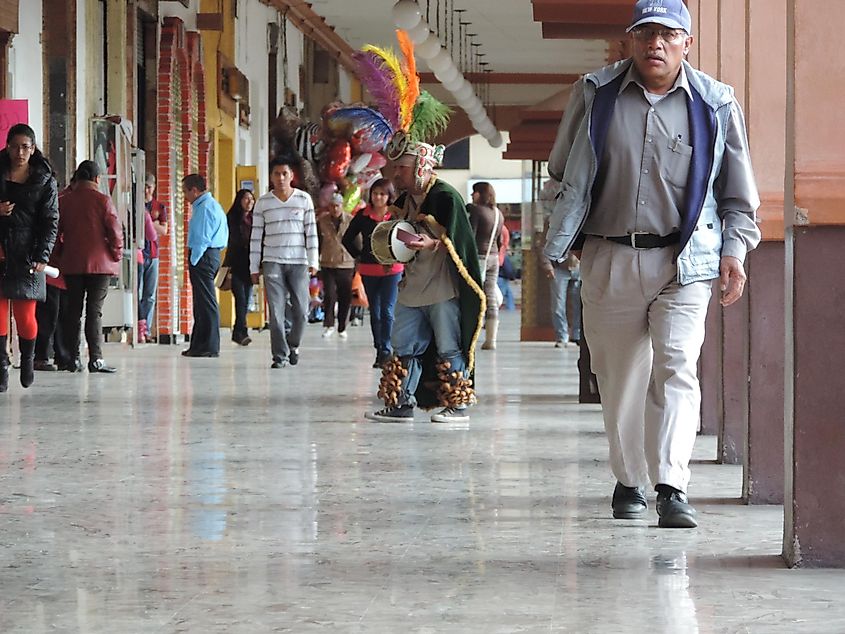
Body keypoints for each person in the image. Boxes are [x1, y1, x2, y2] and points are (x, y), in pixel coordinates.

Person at [544, 0, 761, 528]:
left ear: (688, 43)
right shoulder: (595, 95)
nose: (655, 44)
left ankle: (671, 486)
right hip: (609, 254)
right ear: (630, 41)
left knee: (677, 368)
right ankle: (629, 479)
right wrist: (560, 237)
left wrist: (734, 251)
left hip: (684, 261)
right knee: (617, 379)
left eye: (668, 34)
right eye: (646, 33)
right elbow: (560, 173)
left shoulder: (715, 104)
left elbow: (737, 194)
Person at [364, 140, 484, 423]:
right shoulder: (405, 201)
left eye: (401, 168)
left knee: (448, 346)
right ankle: (401, 403)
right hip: (412, 286)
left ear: (421, 167)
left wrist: (433, 242)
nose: (396, 174)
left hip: (442, 288)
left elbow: (461, 244)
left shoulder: (445, 197)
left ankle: (458, 404)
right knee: (403, 345)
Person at [0, 123, 59, 391]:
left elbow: (50, 221)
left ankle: (27, 357)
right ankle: (1, 363)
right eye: (15, 146)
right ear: (7, 147)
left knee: (25, 317)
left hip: (28, 254)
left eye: (25, 147)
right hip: (1, 249)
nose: (20, 152)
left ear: (33, 149)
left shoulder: (45, 179)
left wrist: (42, 255)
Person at [249, 157, 318, 369]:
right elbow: (256, 235)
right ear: (271, 177)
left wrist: (313, 260)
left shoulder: (304, 199)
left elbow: (311, 232)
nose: (280, 178)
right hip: (272, 262)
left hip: (299, 263)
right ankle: (279, 356)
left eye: (284, 174)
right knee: (276, 311)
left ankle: (293, 344)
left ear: (292, 176)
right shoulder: (263, 203)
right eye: (276, 174)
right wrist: (254, 266)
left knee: (302, 310)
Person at [56, 160, 123, 373]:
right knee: (94, 312)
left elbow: (55, 231)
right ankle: (96, 359)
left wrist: (59, 255)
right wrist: (116, 254)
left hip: (73, 263)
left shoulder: (65, 201)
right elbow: (115, 231)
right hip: (100, 265)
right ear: (97, 179)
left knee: (73, 311)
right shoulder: (103, 201)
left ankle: (72, 359)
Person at [342, 178, 403, 368]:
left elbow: (406, 237)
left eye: (382, 194)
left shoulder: (395, 216)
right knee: (375, 313)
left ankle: (386, 351)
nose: (378, 197)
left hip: (392, 269)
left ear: (389, 196)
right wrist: (359, 256)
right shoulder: (363, 215)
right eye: (375, 193)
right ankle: (380, 349)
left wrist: (401, 255)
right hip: (369, 270)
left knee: (387, 311)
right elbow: (347, 239)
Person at [182, 173, 228, 358]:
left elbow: (202, 237)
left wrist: (194, 260)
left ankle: (209, 345)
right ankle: (199, 345)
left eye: (186, 191)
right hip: (210, 255)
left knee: (206, 303)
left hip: (203, 257)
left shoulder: (205, 208)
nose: (184, 196)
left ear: (194, 190)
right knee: (201, 303)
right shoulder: (210, 205)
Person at [467, 181, 503, 350]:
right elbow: (500, 241)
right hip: (494, 257)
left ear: (481, 193)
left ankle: (472, 336)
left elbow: (470, 236)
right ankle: (491, 340)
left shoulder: (476, 211)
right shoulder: (498, 213)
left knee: (474, 296)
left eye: (474, 192)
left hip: (479, 257)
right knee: (490, 297)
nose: (472, 195)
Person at [317, 193, 355, 339]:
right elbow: (319, 241)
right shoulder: (322, 221)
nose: (334, 209)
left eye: (337, 206)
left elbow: (357, 241)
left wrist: (357, 261)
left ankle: (342, 326)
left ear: (342, 206)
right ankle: (329, 324)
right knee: (329, 295)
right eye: (332, 206)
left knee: (345, 296)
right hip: (328, 262)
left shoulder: (350, 220)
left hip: (346, 263)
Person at [223, 188, 255, 346]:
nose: (249, 202)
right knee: (240, 299)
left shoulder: (256, 219)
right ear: (239, 201)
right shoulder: (232, 218)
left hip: (250, 265)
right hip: (235, 264)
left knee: (247, 299)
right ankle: (241, 331)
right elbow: (232, 240)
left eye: (251, 199)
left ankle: (239, 331)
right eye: (246, 199)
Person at [138, 173, 168, 343]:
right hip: (140, 253)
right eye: (144, 186)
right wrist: (153, 224)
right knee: (139, 291)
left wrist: (147, 221)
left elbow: (164, 230)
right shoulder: (135, 204)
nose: (147, 190)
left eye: (149, 186)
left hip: (154, 254)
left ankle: (147, 329)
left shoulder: (159, 206)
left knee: (149, 295)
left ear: (154, 187)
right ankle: (138, 328)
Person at [540, 252, 582, 348]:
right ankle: (562, 336)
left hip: (579, 266)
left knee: (579, 304)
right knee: (558, 305)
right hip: (558, 268)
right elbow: (542, 245)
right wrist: (547, 265)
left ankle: (577, 334)